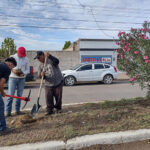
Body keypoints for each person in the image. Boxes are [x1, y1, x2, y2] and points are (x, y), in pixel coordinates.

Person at [34, 51, 63, 115]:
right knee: (48, 97)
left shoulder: (51, 60)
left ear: (43, 55)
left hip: (57, 82)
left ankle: (58, 109)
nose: (38, 59)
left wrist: (50, 56)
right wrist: (42, 75)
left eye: (39, 57)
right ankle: (49, 110)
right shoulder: (41, 66)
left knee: (58, 97)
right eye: (37, 58)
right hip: (48, 84)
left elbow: (57, 61)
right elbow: (39, 76)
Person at [6, 47, 30, 117]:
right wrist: (13, 70)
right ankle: (8, 112)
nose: (21, 56)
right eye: (20, 54)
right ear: (17, 52)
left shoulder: (26, 59)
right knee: (10, 95)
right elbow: (7, 66)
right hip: (12, 78)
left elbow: (28, 70)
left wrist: (23, 73)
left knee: (19, 96)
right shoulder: (12, 57)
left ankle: (17, 110)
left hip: (22, 79)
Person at [0, 57, 17, 134]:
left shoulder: (1, 65)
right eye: (12, 67)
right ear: (10, 64)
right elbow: (1, 84)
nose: (12, 69)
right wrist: (2, 92)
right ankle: (2, 129)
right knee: (0, 107)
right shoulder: (7, 69)